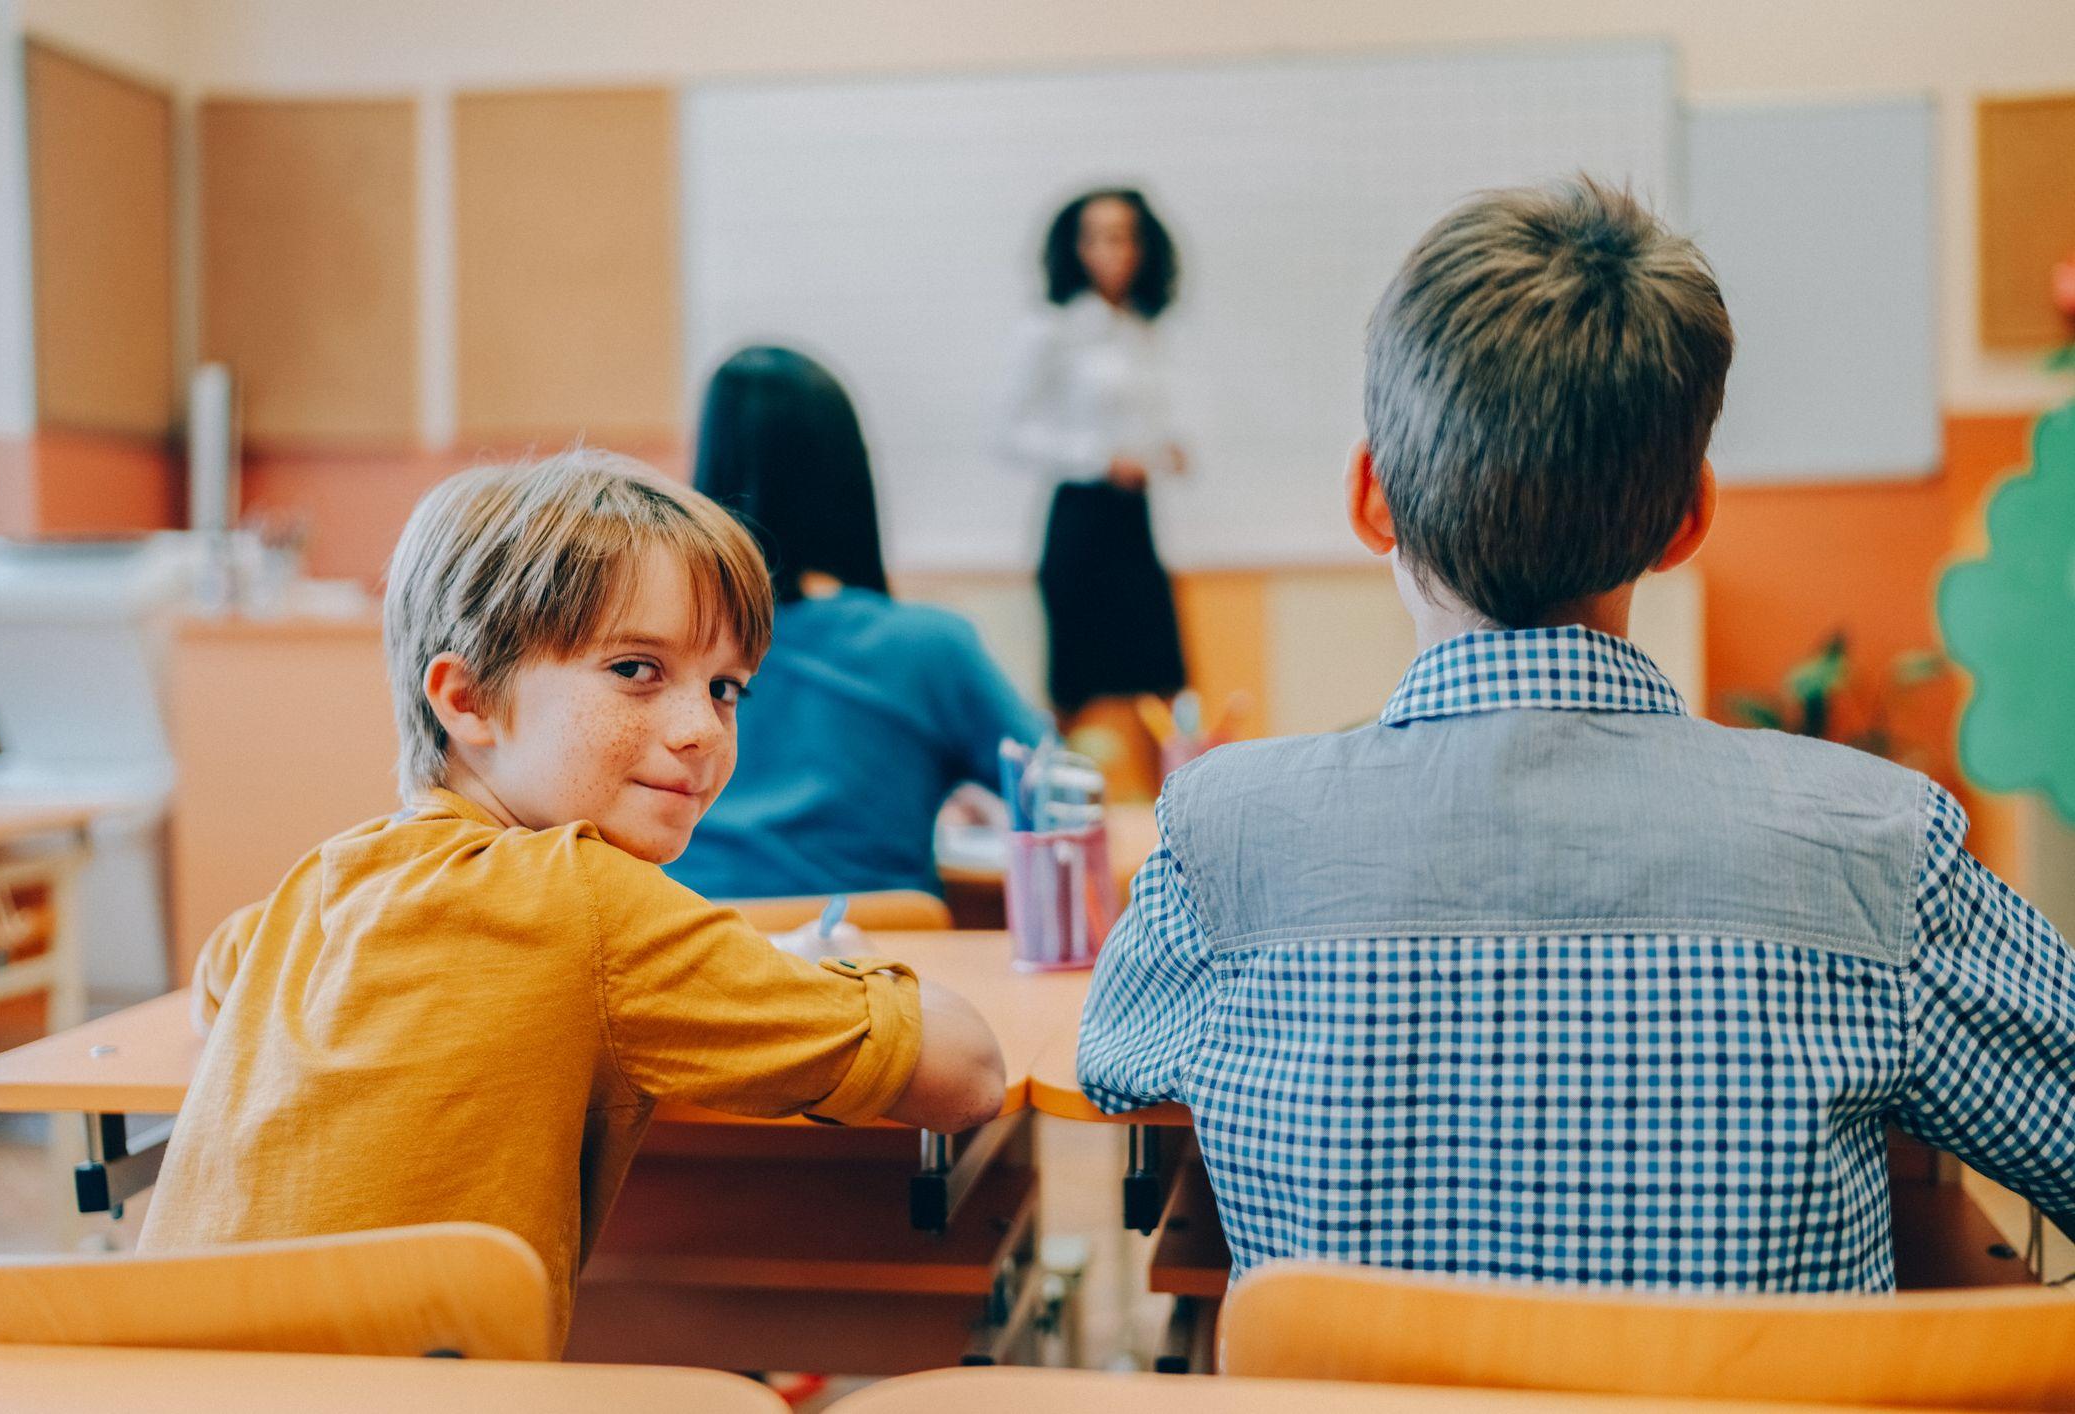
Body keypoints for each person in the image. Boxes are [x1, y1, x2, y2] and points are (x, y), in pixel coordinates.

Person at [1078, 177, 2075, 1292]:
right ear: (1686, 519)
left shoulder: (1221, 833)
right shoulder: (1878, 846)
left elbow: (1114, 1063)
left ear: (1370, 499)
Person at [139, 451, 1006, 1350]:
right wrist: (815, 963)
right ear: (467, 698)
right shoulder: (588, 897)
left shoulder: (325, 880)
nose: (702, 730)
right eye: (636, 670)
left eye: (725, 687)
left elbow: (219, 977)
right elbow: (969, 1073)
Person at [671, 347, 1049, 900]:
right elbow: (1055, 788)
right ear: (851, 475)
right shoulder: (928, 647)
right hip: (877, 958)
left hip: (688, 947)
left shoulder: (662, 649)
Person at [999, 187, 1188, 720]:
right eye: (1101, 238)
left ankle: (1178, 795)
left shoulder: (1142, 328)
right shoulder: (1050, 328)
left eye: (1126, 238)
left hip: (1133, 518)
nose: (1115, 252)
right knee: (1073, 687)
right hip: (1079, 520)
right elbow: (1011, 432)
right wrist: (1099, 458)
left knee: (1165, 679)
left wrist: (1163, 450)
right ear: (1075, 249)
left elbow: (1141, 418)